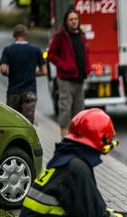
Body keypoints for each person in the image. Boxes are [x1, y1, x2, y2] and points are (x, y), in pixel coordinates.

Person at [48, 9, 91, 138]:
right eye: (71, 19)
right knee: (65, 111)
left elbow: (86, 54)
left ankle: (77, 141)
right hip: (66, 80)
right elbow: (50, 55)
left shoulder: (81, 36)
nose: (74, 21)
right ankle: (64, 142)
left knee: (79, 113)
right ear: (66, 22)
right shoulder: (60, 36)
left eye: (76, 19)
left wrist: (88, 68)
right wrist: (64, 66)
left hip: (80, 79)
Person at [0, 24, 47, 124]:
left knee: (13, 123)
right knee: (28, 124)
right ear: (26, 34)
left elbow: (3, 70)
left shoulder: (8, 49)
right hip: (30, 92)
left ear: (14, 35)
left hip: (13, 92)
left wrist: (12, 73)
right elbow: (44, 71)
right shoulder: (35, 49)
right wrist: (32, 74)